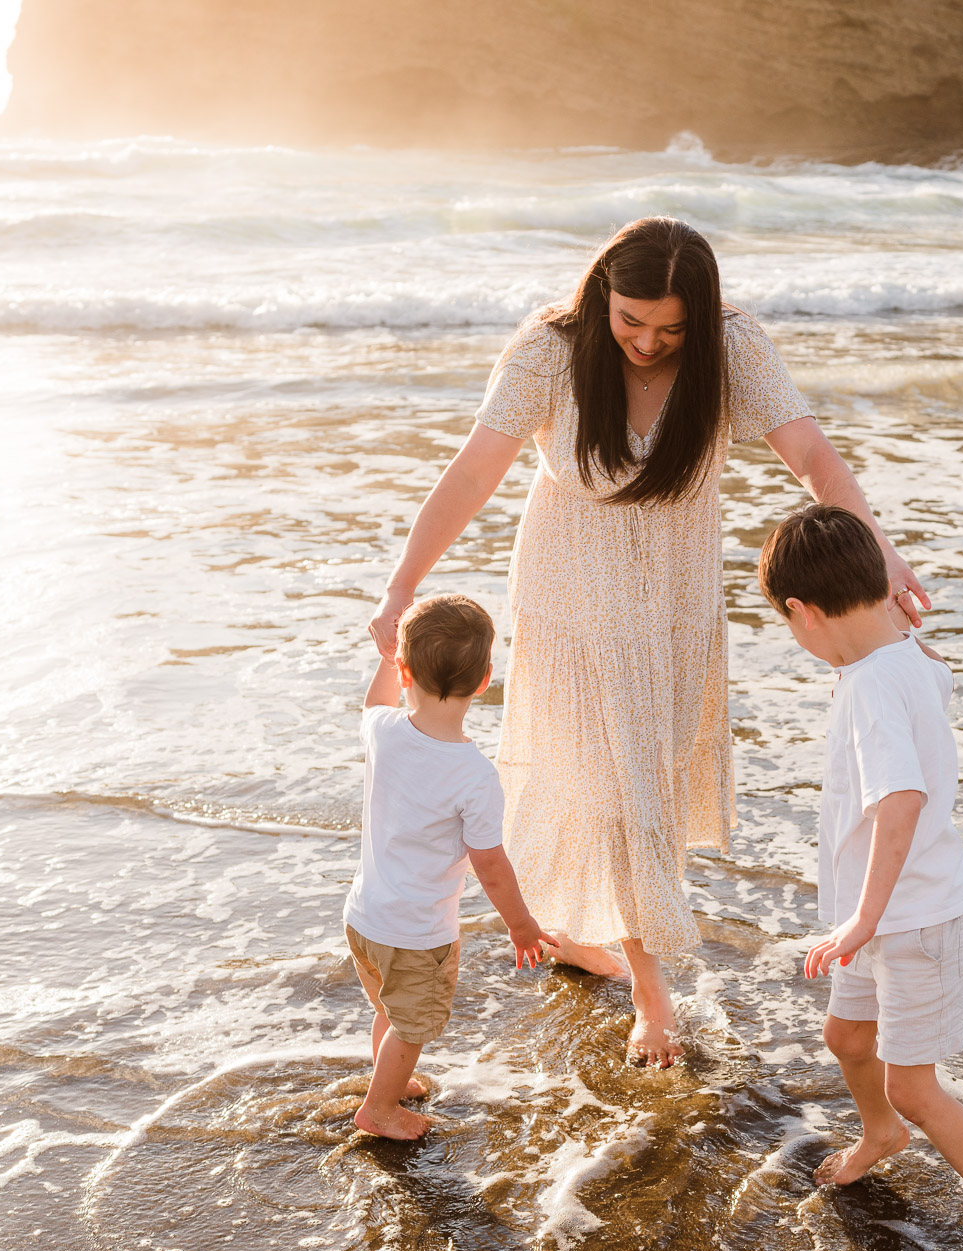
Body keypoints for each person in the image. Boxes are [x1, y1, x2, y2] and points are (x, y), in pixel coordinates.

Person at [366, 217, 929, 1067]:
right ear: (602, 297)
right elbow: (475, 472)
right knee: (612, 780)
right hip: (572, 591)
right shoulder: (550, 349)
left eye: (670, 328)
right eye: (631, 321)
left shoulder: (734, 346)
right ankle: (650, 988)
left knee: (643, 781)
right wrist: (403, 582)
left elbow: (811, 454)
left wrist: (879, 547)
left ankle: (577, 932)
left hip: (672, 598)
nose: (647, 341)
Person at [761, 505, 963, 1251]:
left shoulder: (872, 687)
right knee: (848, 1040)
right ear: (883, 587)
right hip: (884, 914)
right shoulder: (903, 653)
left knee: (915, 1084)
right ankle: (880, 1132)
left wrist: (863, 918)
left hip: (911, 917)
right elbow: (921, 656)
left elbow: (902, 800)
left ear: (801, 613)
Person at [344, 594, 556, 1140]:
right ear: (485, 680)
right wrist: (521, 924)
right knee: (413, 1024)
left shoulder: (382, 731)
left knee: (392, 1009)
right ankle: (380, 1109)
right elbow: (489, 865)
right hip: (417, 934)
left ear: (403, 669)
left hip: (364, 918)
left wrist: (388, 655)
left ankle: (387, 1081)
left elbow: (376, 701)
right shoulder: (475, 775)